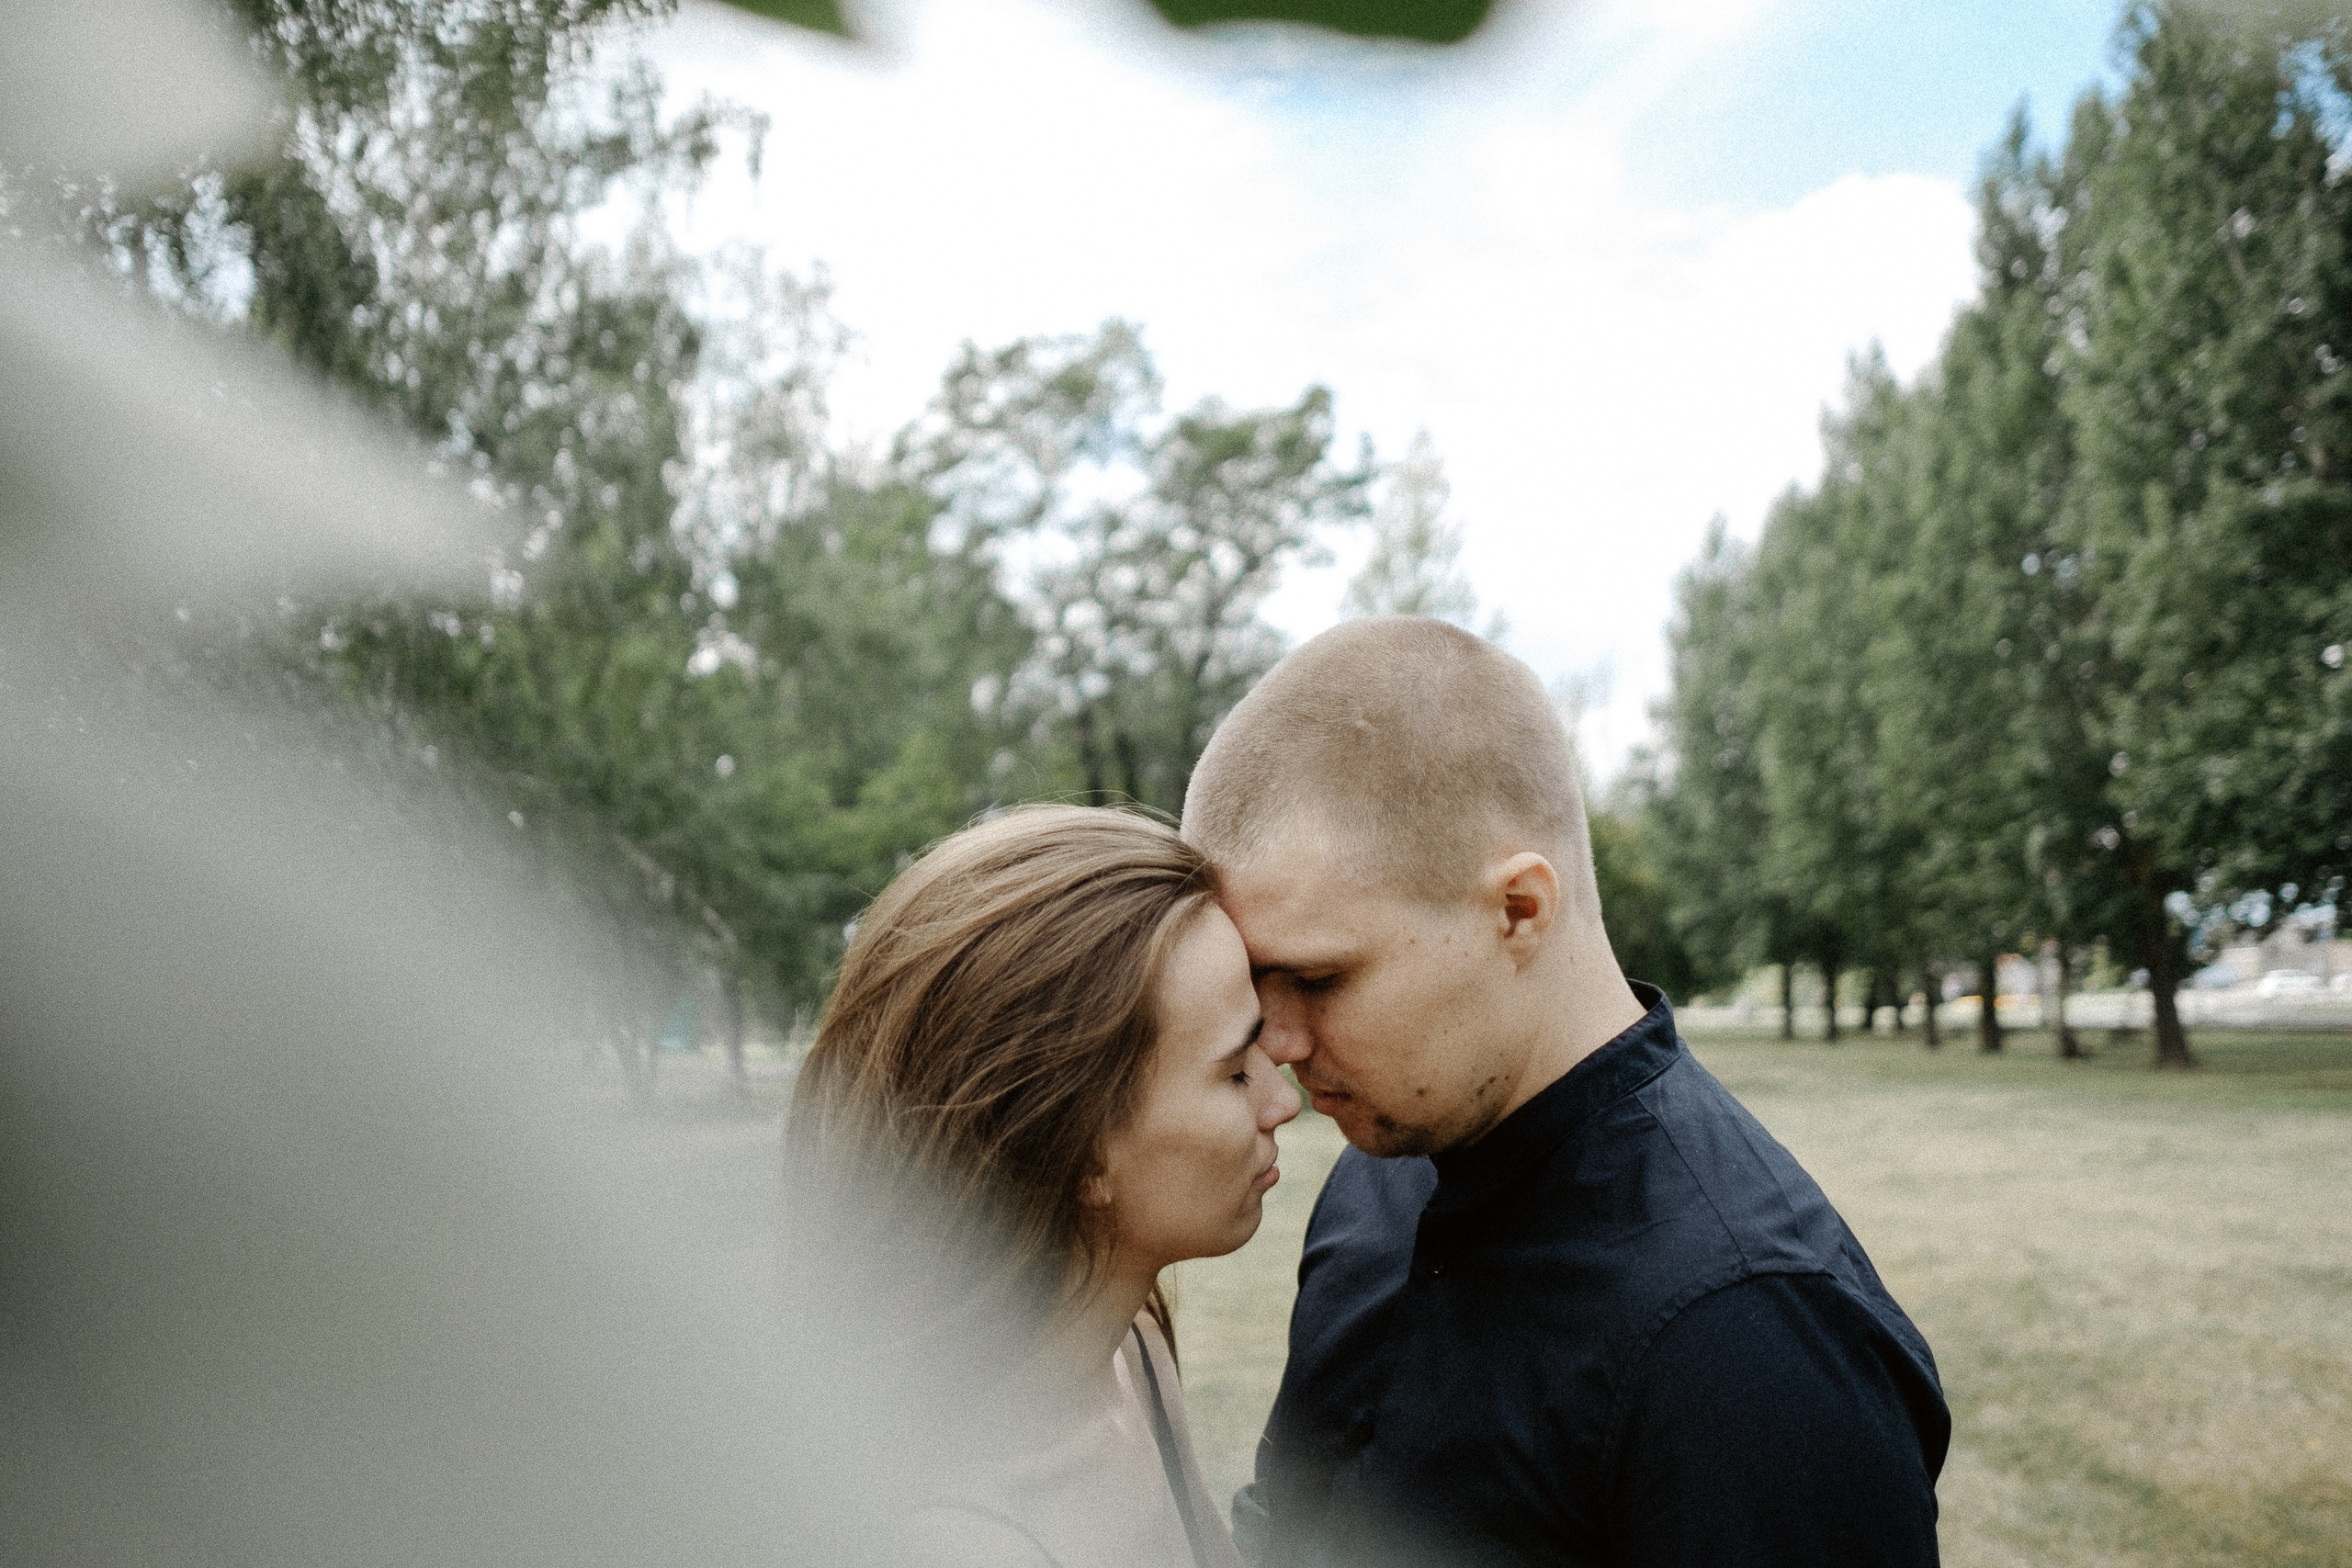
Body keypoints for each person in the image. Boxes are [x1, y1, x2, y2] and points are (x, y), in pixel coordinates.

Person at [1182, 617, 1951, 1568]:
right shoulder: (1385, 1166)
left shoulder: (1751, 1337)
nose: (1279, 1042)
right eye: (1259, 982)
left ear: (1518, 910)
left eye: (1320, 978)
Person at [787, 805, 1296, 1568]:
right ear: (1081, 1151)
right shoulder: (958, 1536)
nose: (1282, 1100)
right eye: (1234, 1071)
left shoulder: (1132, 1349)